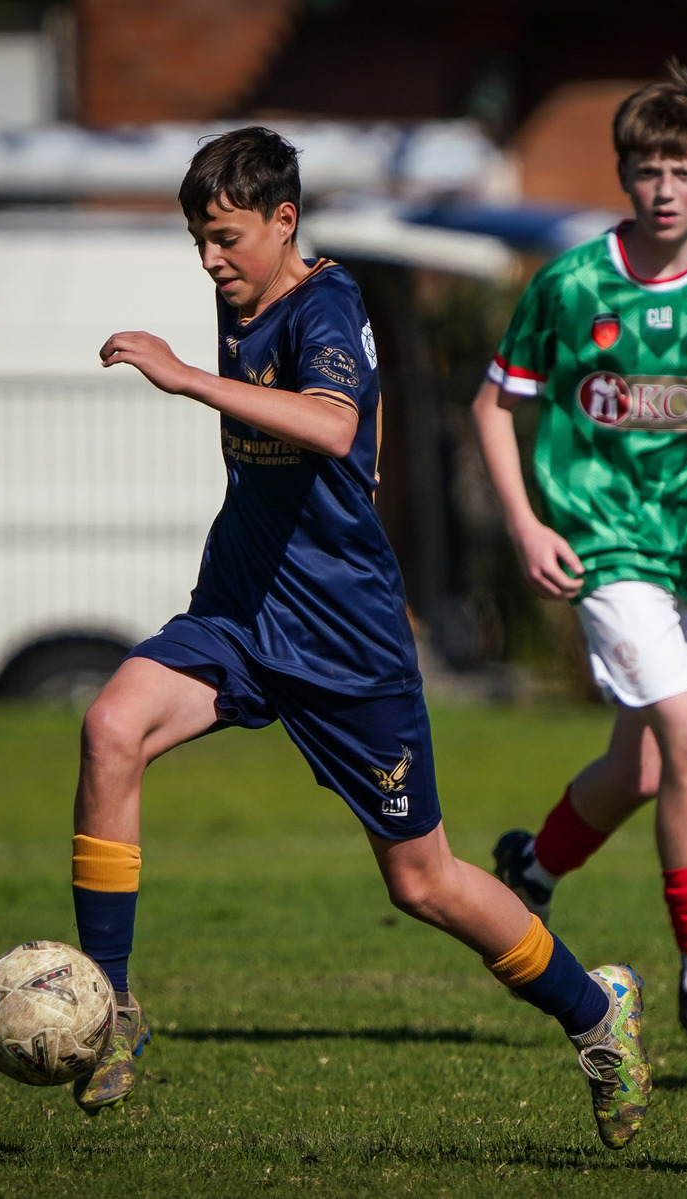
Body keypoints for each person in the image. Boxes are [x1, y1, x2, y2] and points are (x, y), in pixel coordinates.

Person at [68, 126, 651, 1150]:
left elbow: (335, 425)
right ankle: (109, 1009)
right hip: (240, 611)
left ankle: (596, 1014)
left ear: (283, 222)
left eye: (224, 237)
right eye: (197, 239)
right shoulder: (241, 290)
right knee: (112, 725)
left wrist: (183, 377)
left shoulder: (327, 304)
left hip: (344, 638)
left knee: (421, 881)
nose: (208, 259)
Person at [472, 62, 687, 1050]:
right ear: (623, 176)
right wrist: (527, 523)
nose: (662, 187)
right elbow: (494, 408)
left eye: (682, 168)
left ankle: (531, 869)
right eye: (644, 168)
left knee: (637, 767)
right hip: (603, 547)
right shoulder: (572, 282)